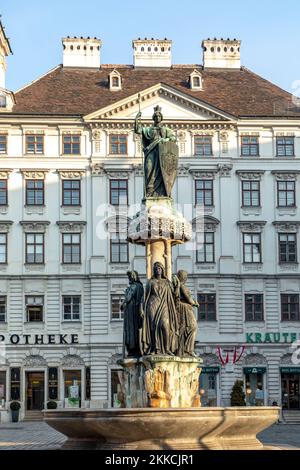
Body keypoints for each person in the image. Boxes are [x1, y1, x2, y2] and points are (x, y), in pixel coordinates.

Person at [134, 105, 178, 198]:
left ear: (161, 118)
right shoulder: (148, 130)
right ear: (153, 118)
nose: (158, 118)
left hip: (162, 155)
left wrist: (164, 140)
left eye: (159, 116)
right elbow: (138, 130)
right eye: (156, 116)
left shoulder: (166, 130)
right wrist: (137, 120)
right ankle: (150, 192)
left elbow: (173, 138)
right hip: (151, 152)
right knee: (149, 170)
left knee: (162, 173)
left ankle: (162, 193)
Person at [141, 261, 179, 356]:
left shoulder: (167, 282)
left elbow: (174, 295)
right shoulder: (150, 282)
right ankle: (155, 348)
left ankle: (166, 349)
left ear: (162, 270)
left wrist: (178, 287)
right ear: (154, 270)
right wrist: (141, 308)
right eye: (156, 268)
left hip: (164, 305)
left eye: (159, 268)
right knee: (153, 327)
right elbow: (145, 296)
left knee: (165, 326)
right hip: (152, 305)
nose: (158, 270)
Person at [173, 270, 199, 357]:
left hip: (185, 308)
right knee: (192, 327)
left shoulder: (181, 286)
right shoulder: (181, 286)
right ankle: (188, 350)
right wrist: (195, 303)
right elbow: (188, 298)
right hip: (184, 308)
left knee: (185, 329)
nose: (186, 278)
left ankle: (186, 349)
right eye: (185, 276)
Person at [121, 270, 144, 357]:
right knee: (129, 330)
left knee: (132, 329)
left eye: (130, 277)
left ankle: (134, 348)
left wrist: (123, 303)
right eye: (128, 277)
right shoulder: (136, 286)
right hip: (130, 312)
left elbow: (129, 296)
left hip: (134, 312)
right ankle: (131, 348)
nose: (129, 279)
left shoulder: (136, 286)